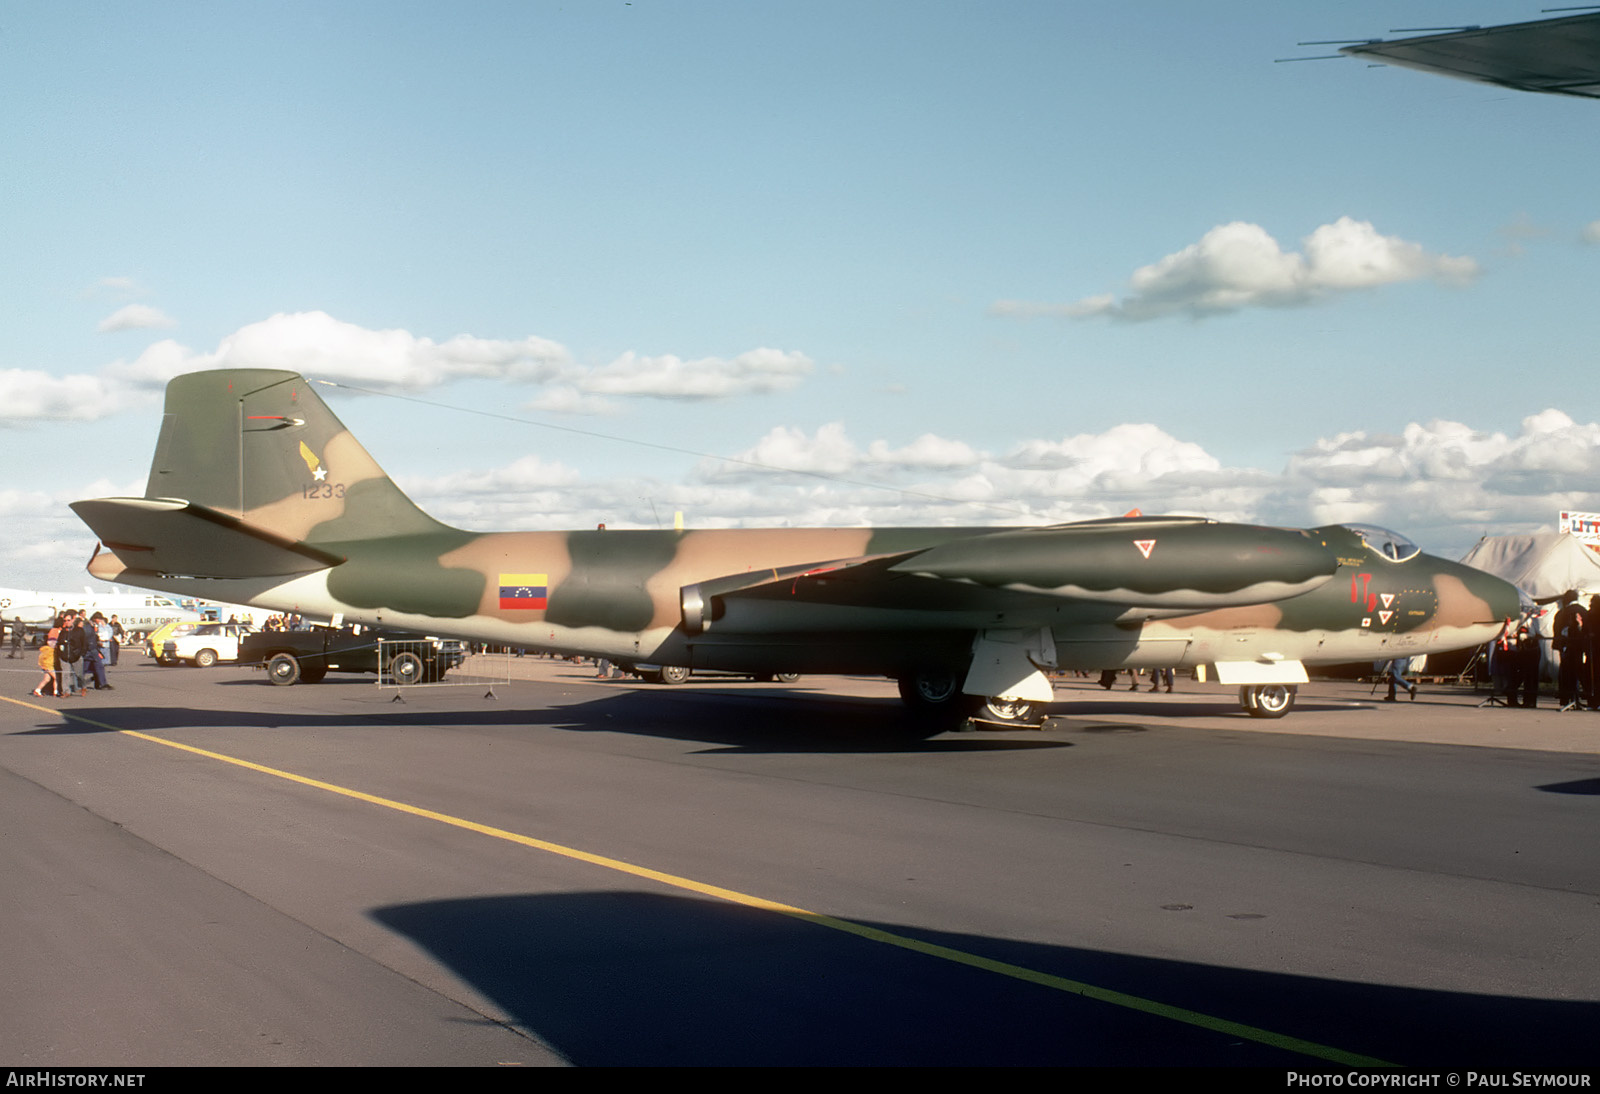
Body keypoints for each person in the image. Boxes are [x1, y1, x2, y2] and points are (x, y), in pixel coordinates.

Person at [1554, 591, 1585, 711]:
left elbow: (1559, 629)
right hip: (1581, 646)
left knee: (1566, 672)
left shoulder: (1563, 612)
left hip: (1567, 646)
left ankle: (1566, 697)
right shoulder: (1584, 610)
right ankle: (1575, 697)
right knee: (1577, 671)